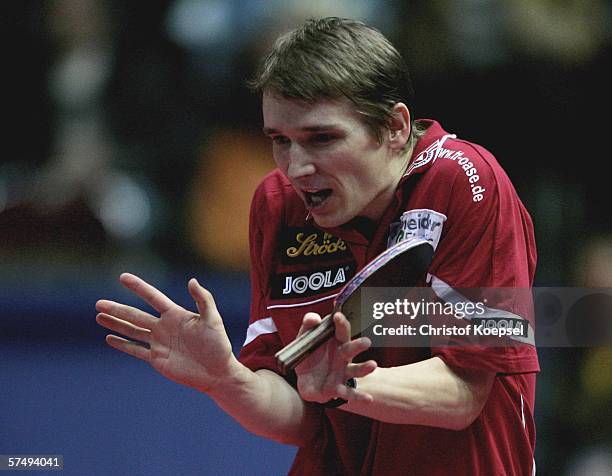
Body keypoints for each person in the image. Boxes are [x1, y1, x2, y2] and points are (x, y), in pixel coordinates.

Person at [96, 17, 539, 475]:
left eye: (321, 138)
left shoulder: (465, 182)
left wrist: (344, 385)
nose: (297, 167)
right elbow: (303, 416)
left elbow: (464, 394)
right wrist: (227, 380)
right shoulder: (277, 203)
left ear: (395, 127)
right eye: (280, 141)